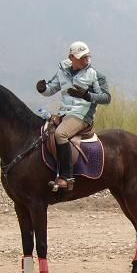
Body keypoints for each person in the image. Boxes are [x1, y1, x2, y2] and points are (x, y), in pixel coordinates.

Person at [36, 41, 111, 190]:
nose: (86, 60)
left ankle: (66, 177)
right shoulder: (62, 71)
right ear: (71, 57)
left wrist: (87, 95)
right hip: (65, 113)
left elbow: (106, 98)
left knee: (60, 134)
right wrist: (42, 89)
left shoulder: (94, 75)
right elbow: (51, 89)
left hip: (82, 115)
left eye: (87, 57)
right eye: (81, 57)